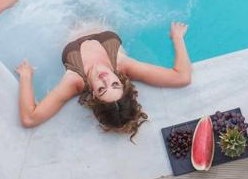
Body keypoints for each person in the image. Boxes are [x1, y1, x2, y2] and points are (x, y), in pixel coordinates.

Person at [16, 22, 192, 140]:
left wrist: (26, 77)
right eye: (114, 84)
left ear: (93, 94)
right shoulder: (123, 64)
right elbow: (182, 77)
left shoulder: (74, 80)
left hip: (62, 23)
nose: (104, 78)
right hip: (99, 8)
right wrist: (177, 37)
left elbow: (29, 119)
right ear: (121, 82)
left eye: (101, 89)